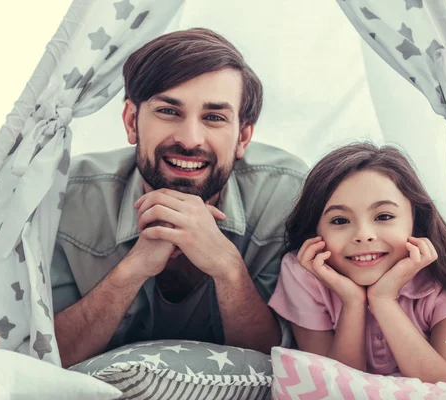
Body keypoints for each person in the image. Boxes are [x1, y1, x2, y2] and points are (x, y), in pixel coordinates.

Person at [51, 28, 308, 367]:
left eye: (214, 117)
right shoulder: (67, 199)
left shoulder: (287, 196)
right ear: (131, 121)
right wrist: (133, 269)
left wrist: (228, 268)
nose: (190, 139)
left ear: (243, 136)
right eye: (169, 111)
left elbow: (284, 364)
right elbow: (44, 358)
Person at [268, 142, 446, 384]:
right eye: (339, 220)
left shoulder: (445, 276)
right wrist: (352, 302)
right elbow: (333, 390)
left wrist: (383, 300)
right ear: (315, 230)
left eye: (384, 216)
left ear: (416, 221)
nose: (363, 235)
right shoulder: (304, 274)